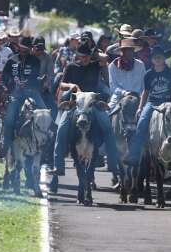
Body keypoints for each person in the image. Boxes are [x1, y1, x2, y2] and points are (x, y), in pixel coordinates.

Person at [50, 42, 119, 176]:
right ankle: (58, 166)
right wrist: (73, 86)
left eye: (87, 56)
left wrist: (95, 53)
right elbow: (62, 84)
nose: (85, 59)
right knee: (61, 130)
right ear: (78, 56)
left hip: (92, 102)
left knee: (108, 128)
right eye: (82, 56)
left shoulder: (95, 65)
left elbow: (105, 58)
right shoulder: (71, 67)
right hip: (76, 102)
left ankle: (112, 164)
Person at [124, 46, 171, 166]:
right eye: (155, 57)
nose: (157, 59)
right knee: (142, 122)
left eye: (160, 56)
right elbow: (145, 92)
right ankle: (134, 155)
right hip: (152, 103)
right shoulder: (148, 74)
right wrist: (140, 107)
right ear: (152, 59)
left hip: (168, 103)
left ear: (164, 58)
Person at [0, 36, 47, 157]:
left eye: (27, 49)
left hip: (32, 92)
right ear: (18, 47)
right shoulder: (12, 60)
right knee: (10, 117)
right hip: (16, 94)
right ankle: (6, 143)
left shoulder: (35, 61)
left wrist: (32, 82)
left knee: (45, 112)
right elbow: (3, 78)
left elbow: (36, 77)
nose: (24, 51)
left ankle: (47, 143)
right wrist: (6, 88)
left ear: (31, 49)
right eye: (22, 48)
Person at [108, 38, 146, 111]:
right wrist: (124, 93)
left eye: (131, 50)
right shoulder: (113, 66)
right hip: (119, 96)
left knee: (147, 114)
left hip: (137, 96)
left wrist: (141, 97)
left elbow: (144, 85)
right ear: (122, 52)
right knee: (108, 112)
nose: (129, 53)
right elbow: (113, 86)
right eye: (126, 51)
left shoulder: (140, 65)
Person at [33, 36, 57, 118]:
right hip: (28, 88)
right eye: (38, 49)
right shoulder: (27, 56)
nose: (40, 51)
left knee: (54, 109)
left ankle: (51, 128)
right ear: (33, 47)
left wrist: (46, 85)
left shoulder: (47, 57)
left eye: (41, 49)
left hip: (43, 88)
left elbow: (51, 74)